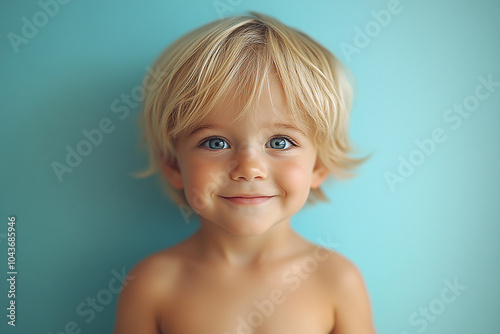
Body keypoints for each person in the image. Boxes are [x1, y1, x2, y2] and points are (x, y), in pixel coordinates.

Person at [114, 11, 376, 334]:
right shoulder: (153, 284)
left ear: (319, 165)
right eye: (215, 142)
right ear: (172, 165)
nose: (249, 168)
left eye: (280, 142)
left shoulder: (338, 280)